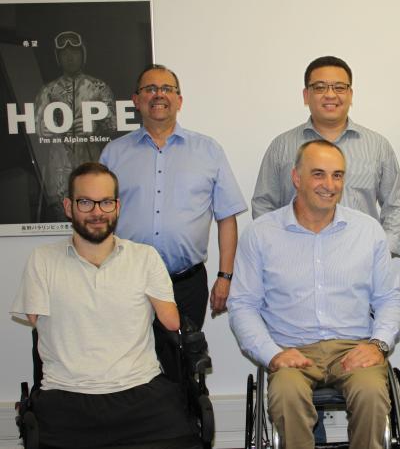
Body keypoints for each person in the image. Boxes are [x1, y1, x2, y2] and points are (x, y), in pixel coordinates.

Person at [228, 140, 400, 449]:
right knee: (285, 396)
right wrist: (273, 354)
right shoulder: (261, 234)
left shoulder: (367, 231)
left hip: (353, 347)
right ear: (296, 178)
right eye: (319, 174)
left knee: (371, 395)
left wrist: (378, 345)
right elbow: (242, 305)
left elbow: (389, 299)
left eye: (337, 175)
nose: (329, 184)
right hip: (292, 350)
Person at [10, 162, 201, 449]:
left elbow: (172, 323)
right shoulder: (43, 260)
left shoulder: (144, 257)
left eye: (106, 202)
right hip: (66, 397)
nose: (97, 212)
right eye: (85, 202)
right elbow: (37, 322)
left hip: (142, 395)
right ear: (68, 206)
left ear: (118, 206)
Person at [100, 64, 247, 328]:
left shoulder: (208, 150)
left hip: (186, 283)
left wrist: (225, 276)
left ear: (179, 100)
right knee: (127, 363)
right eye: (150, 89)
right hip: (127, 281)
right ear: (136, 100)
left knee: (184, 363)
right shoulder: (114, 154)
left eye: (167, 89)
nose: (159, 94)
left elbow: (226, 217)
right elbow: (99, 218)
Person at [250, 55, 400, 256]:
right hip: (296, 259)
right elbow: (264, 203)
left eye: (339, 87)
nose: (330, 95)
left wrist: (384, 249)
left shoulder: (377, 146)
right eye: (320, 87)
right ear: (306, 95)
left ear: (350, 94)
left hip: (361, 260)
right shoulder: (282, 146)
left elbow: (396, 204)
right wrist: (277, 247)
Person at [35, 30, 116, 221]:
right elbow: (38, 130)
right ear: (58, 57)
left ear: (83, 54)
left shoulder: (99, 87)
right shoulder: (47, 91)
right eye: (64, 53)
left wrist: (95, 126)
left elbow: (115, 125)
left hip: (93, 166)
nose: (70, 57)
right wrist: (52, 130)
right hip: (59, 170)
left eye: (75, 52)